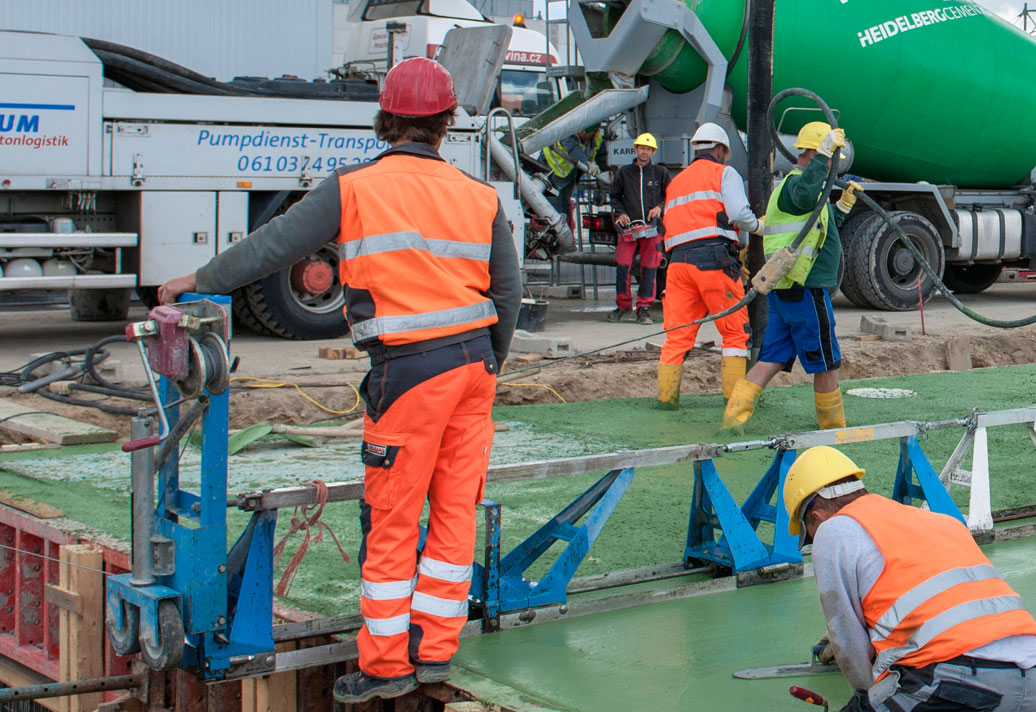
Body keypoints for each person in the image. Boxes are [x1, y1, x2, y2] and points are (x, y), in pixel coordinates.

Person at [155, 57, 519, 703]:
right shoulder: (479, 194)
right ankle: (435, 651)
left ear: (387, 120)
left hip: (409, 371)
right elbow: (509, 291)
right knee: (455, 509)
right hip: (474, 368)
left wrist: (199, 281)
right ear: (444, 123)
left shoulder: (356, 187)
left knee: (393, 517)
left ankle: (385, 667)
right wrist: (490, 357)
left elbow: (275, 246)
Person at [783, 446, 1036, 712]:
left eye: (810, 533)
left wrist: (870, 696)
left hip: (951, 679)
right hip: (1035, 678)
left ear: (816, 516)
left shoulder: (834, 528)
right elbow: (942, 608)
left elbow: (846, 639)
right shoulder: (940, 521)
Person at [722, 121, 862, 432]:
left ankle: (733, 419)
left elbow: (816, 228)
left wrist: (842, 206)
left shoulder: (800, 190)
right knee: (826, 362)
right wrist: (824, 156)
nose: (831, 171)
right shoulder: (795, 185)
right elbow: (802, 197)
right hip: (805, 290)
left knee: (771, 359)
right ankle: (833, 428)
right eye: (828, 161)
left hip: (788, 290)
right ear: (814, 155)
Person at [657, 121, 760, 409]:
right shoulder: (724, 173)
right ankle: (734, 403)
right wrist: (756, 226)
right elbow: (739, 213)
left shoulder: (677, 181)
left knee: (676, 338)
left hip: (678, 265)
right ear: (719, 149)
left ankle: (666, 403)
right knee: (735, 334)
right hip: (714, 261)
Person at [607, 131, 670, 324]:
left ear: (653, 152)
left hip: (652, 229)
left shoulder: (661, 173)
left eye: (649, 149)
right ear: (636, 149)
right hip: (629, 229)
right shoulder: (624, 173)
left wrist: (659, 207)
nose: (645, 152)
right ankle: (623, 306)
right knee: (623, 265)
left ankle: (644, 307)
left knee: (650, 268)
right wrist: (621, 213)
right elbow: (615, 196)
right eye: (642, 148)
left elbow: (669, 195)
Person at [541, 125, 605, 219]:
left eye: (586, 131)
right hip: (550, 172)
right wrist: (586, 162)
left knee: (565, 206)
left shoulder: (597, 139)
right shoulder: (569, 131)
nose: (582, 132)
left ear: (595, 131)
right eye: (581, 129)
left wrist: (603, 175)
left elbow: (601, 156)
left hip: (567, 175)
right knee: (554, 208)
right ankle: (556, 231)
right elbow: (573, 148)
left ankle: (563, 230)